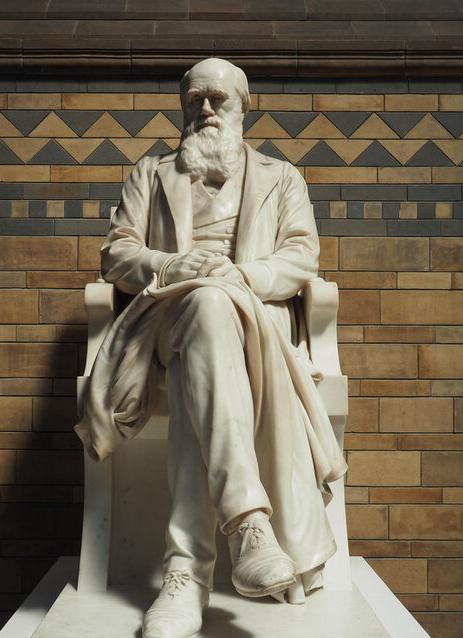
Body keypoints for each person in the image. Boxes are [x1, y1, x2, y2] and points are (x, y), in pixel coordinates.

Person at [75, 58, 347, 638]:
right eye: (194, 99)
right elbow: (116, 252)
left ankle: (185, 576)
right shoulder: (151, 174)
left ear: (245, 107)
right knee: (204, 307)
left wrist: (240, 278)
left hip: (251, 319)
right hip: (168, 316)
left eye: (218, 100)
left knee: (214, 321)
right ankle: (248, 525)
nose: (205, 109)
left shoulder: (282, 177)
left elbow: (301, 257)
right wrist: (172, 264)